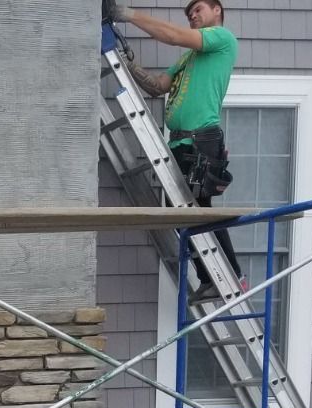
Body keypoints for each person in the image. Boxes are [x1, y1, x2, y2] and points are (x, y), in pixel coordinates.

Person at [112, 0, 243, 301]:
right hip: (180, 142)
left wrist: (126, 15)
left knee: (198, 206)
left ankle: (231, 275)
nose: (192, 16)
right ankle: (211, 276)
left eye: (198, 9)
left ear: (217, 10)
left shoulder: (222, 39)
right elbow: (158, 86)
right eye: (189, 14)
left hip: (201, 140)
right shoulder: (188, 59)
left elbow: (171, 35)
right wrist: (129, 64)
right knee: (188, 210)